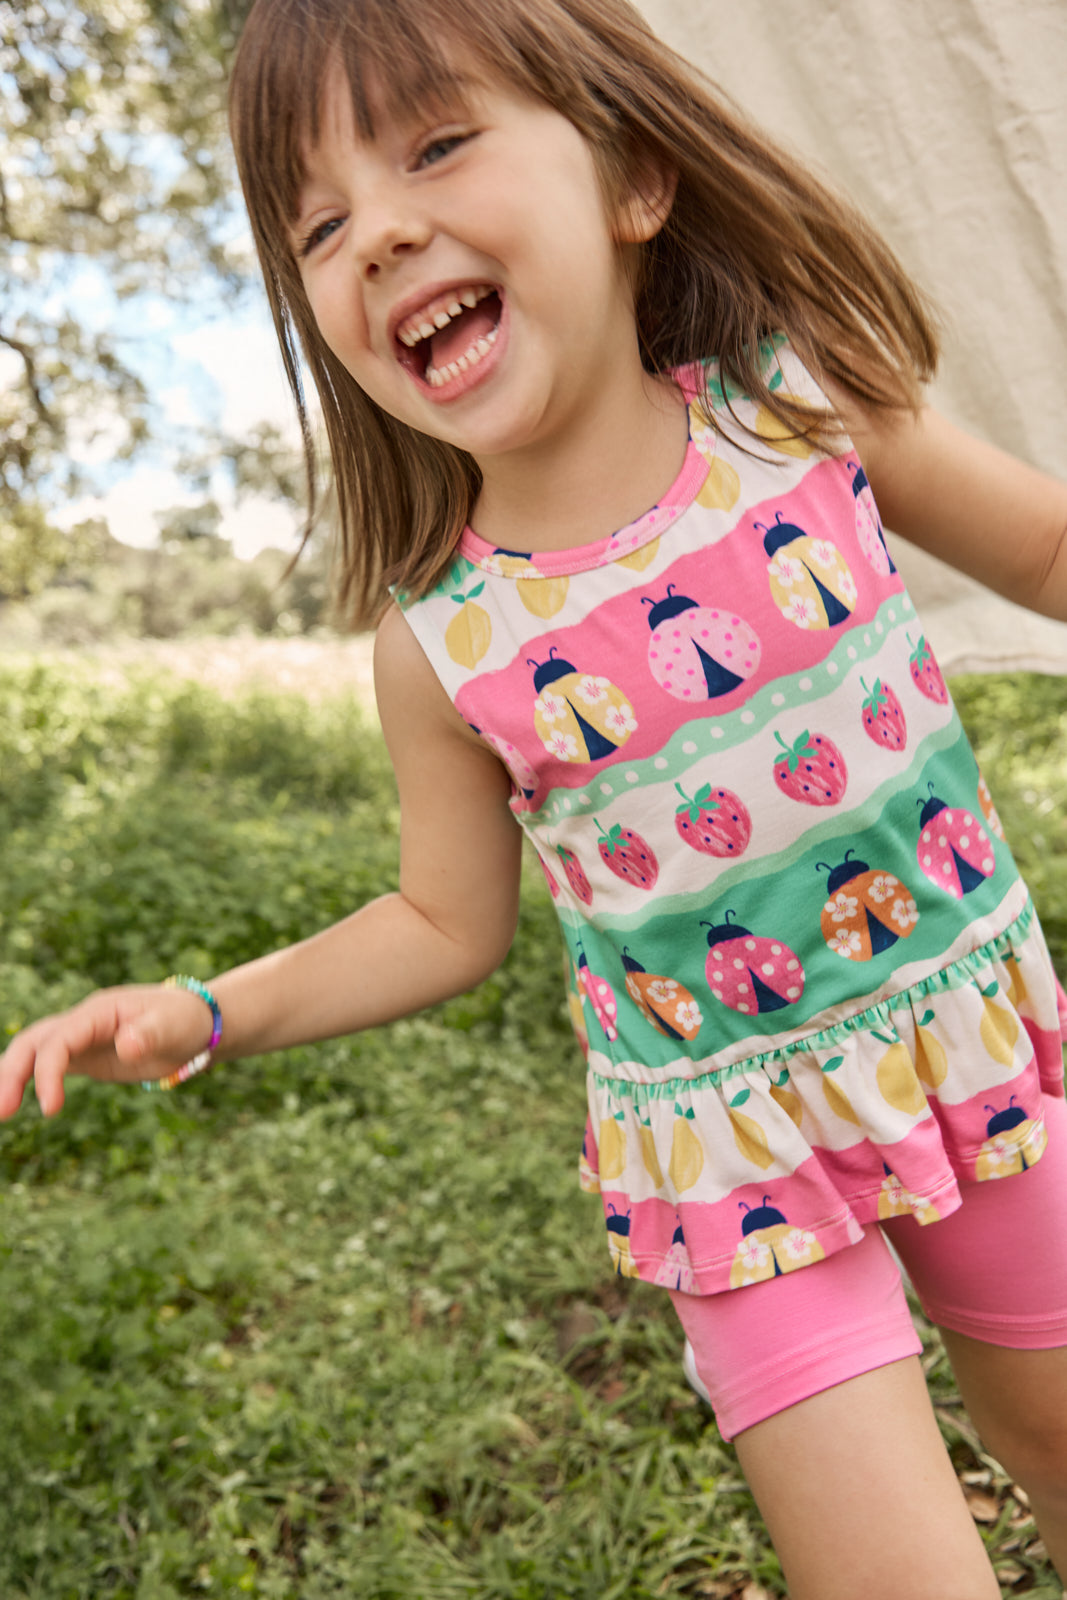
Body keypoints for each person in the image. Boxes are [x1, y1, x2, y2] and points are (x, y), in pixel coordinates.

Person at [3, 1, 1066, 1593]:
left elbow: (1045, 545)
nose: (380, 232)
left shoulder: (798, 406)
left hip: (966, 1053)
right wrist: (209, 1009)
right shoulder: (443, 645)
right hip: (733, 1171)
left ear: (634, 178)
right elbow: (441, 920)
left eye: (436, 144)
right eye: (320, 224)